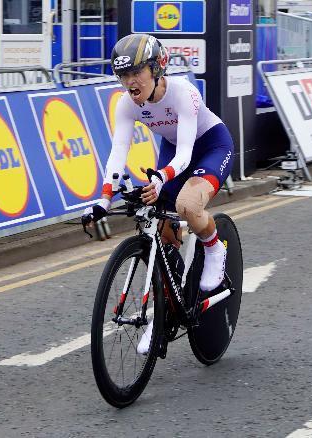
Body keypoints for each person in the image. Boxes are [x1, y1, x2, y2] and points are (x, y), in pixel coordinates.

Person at [83, 33, 234, 353]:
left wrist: (162, 178)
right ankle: (167, 310)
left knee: (187, 204)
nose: (130, 83)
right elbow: (117, 152)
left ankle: (213, 247)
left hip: (208, 146)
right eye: (123, 75)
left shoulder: (184, 94)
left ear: (156, 68)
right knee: (160, 226)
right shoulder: (127, 104)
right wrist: (104, 198)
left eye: (137, 73)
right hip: (172, 151)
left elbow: (185, 153)